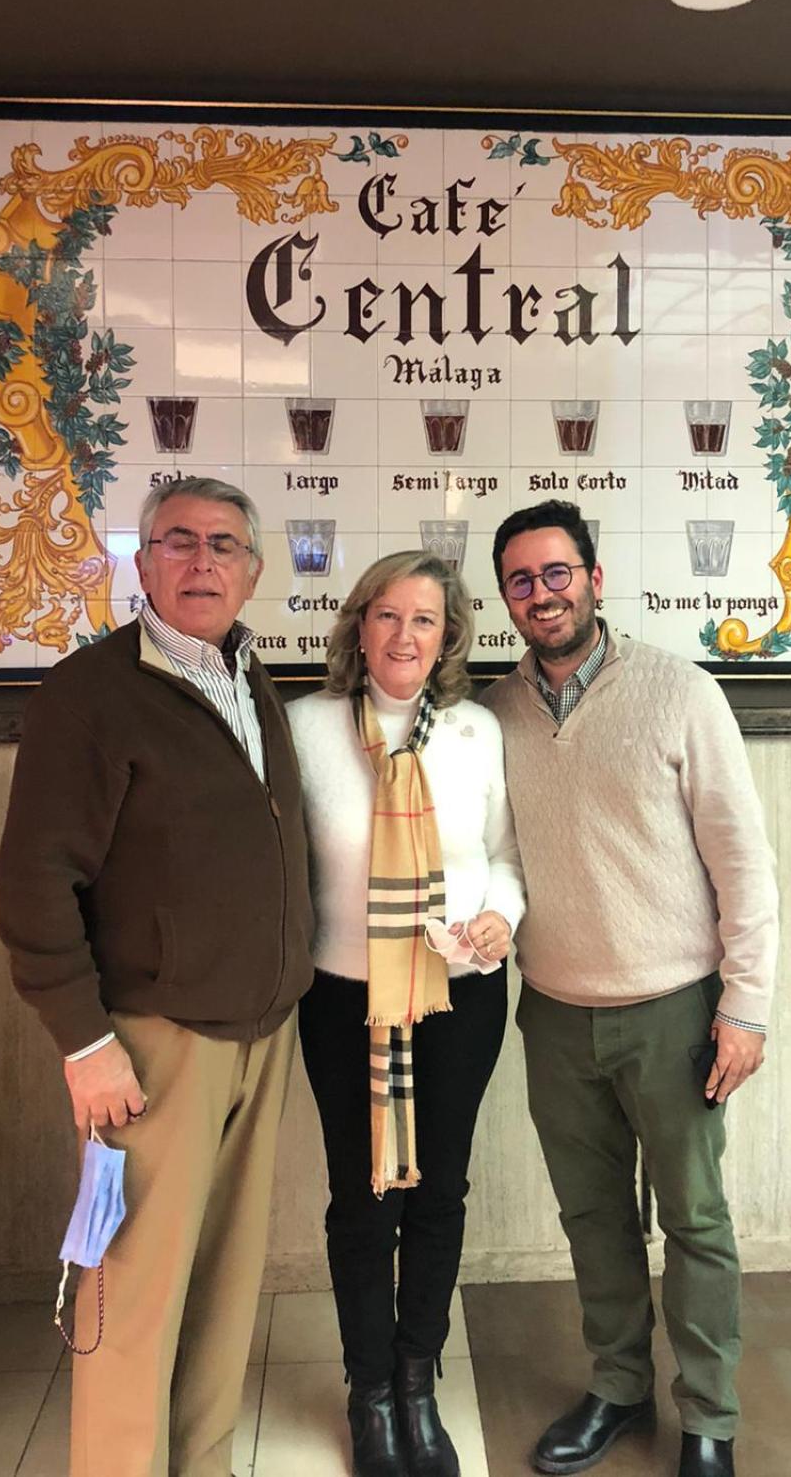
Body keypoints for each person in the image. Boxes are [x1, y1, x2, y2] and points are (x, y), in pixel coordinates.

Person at [0, 477, 314, 1477]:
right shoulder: (92, 691)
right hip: (148, 1044)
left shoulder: (249, 675)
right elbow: (33, 877)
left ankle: (200, 1456)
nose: (203, 560)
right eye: (179, 540)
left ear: (254, 570)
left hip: (260, 1032)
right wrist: (85, 1043)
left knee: (221, 1279)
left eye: (225, 543)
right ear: (143, 563)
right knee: (129, 1286)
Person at [483, 500, 778, 1477]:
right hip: (556, 1013)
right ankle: (617, 1384)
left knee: (694, 1218)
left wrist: (746, 1004)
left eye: (556, 571)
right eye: (520, 579)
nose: (541, 592)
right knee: (593, 1213)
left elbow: (744, 861)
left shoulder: (679, 691)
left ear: (595, 577)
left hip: (675, 1012)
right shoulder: (495, 712)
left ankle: (709, 1416)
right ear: (507, 597)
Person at [288, 550, 525, 1477]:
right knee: (362, 1199)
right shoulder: (305, 728)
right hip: (343, 1001)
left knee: (440, 1192)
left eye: (424, 620)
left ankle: (419, 1381)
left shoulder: (473, 732)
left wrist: (503, 915)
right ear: (358, 626)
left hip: (460, 1000)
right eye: (387, 615)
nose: (404, 635)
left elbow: (505, 855)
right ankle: (371, 1391)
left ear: (448, 636)